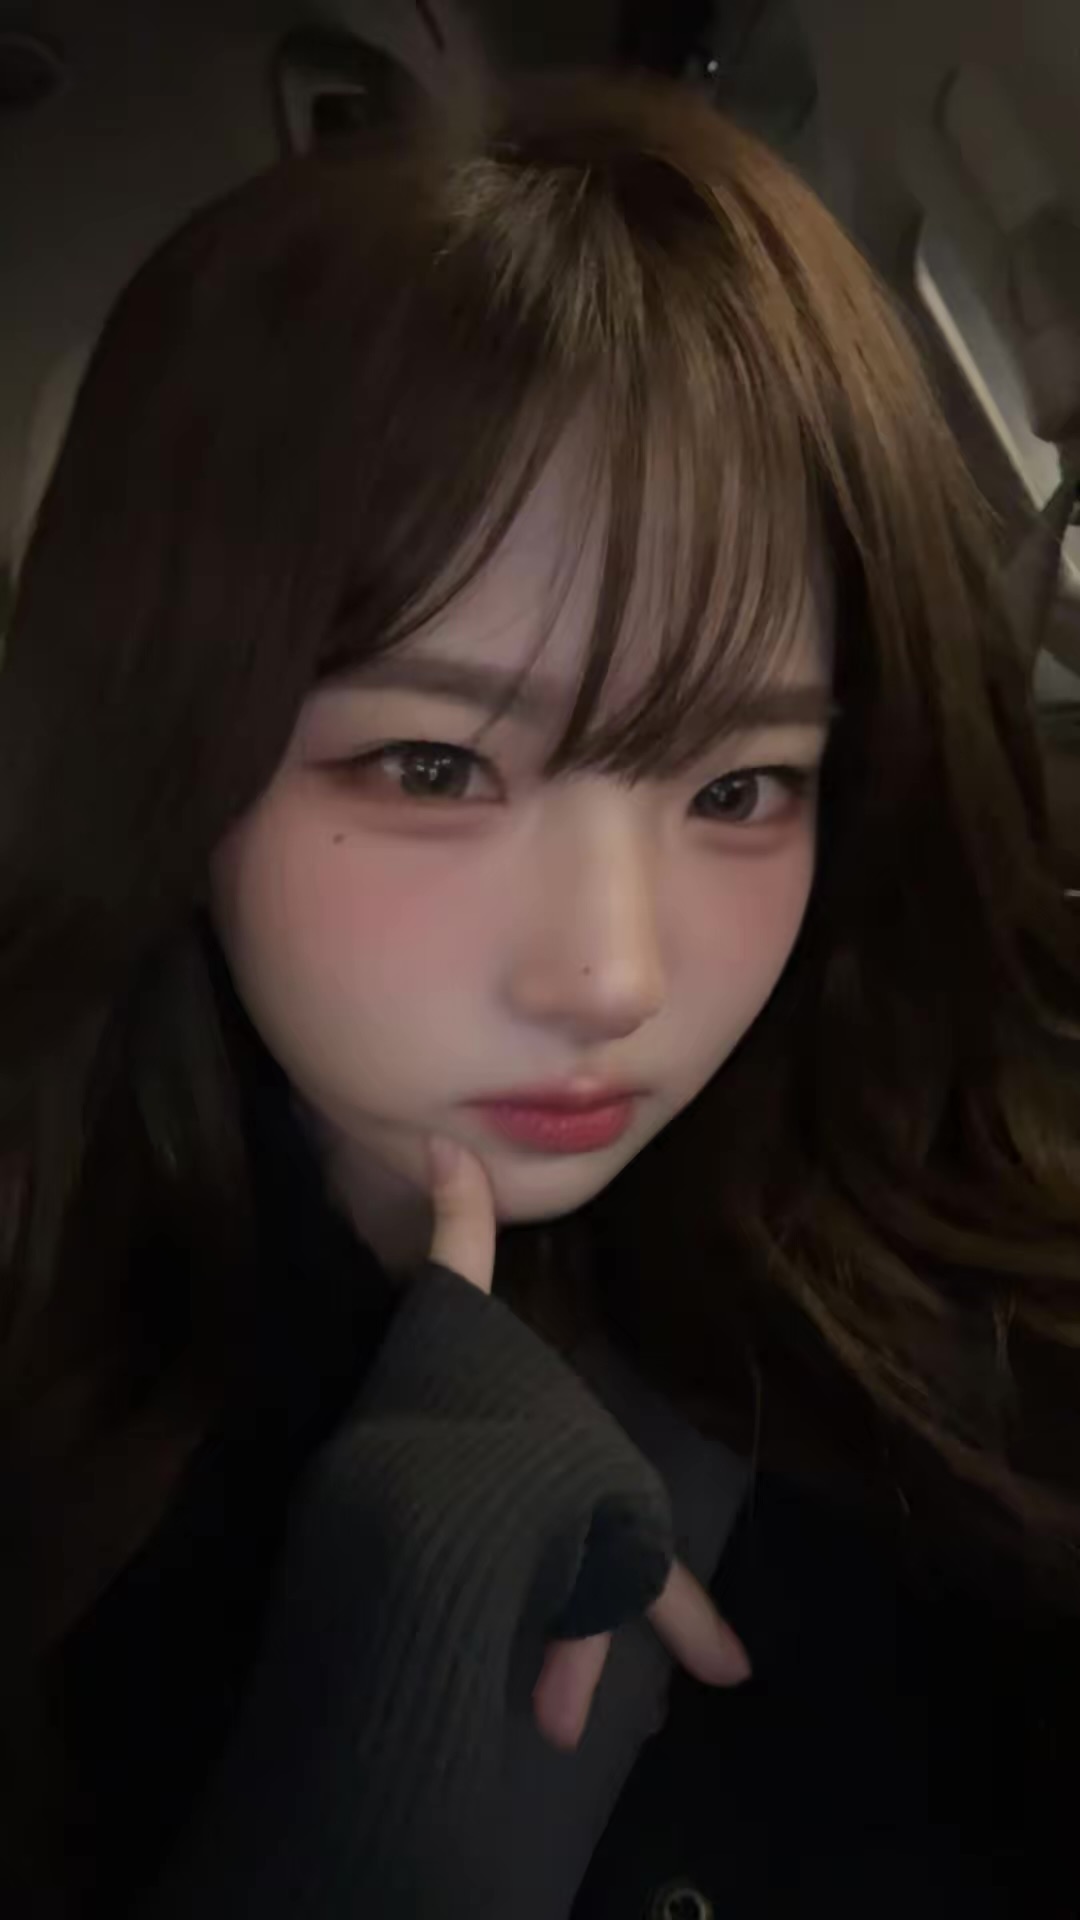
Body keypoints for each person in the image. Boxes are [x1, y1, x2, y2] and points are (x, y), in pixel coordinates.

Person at [1, 68, 1078, 1920]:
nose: (614, 977)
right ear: (173, 756)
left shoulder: (976, 1315)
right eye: (433, 768)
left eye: (740, 788)